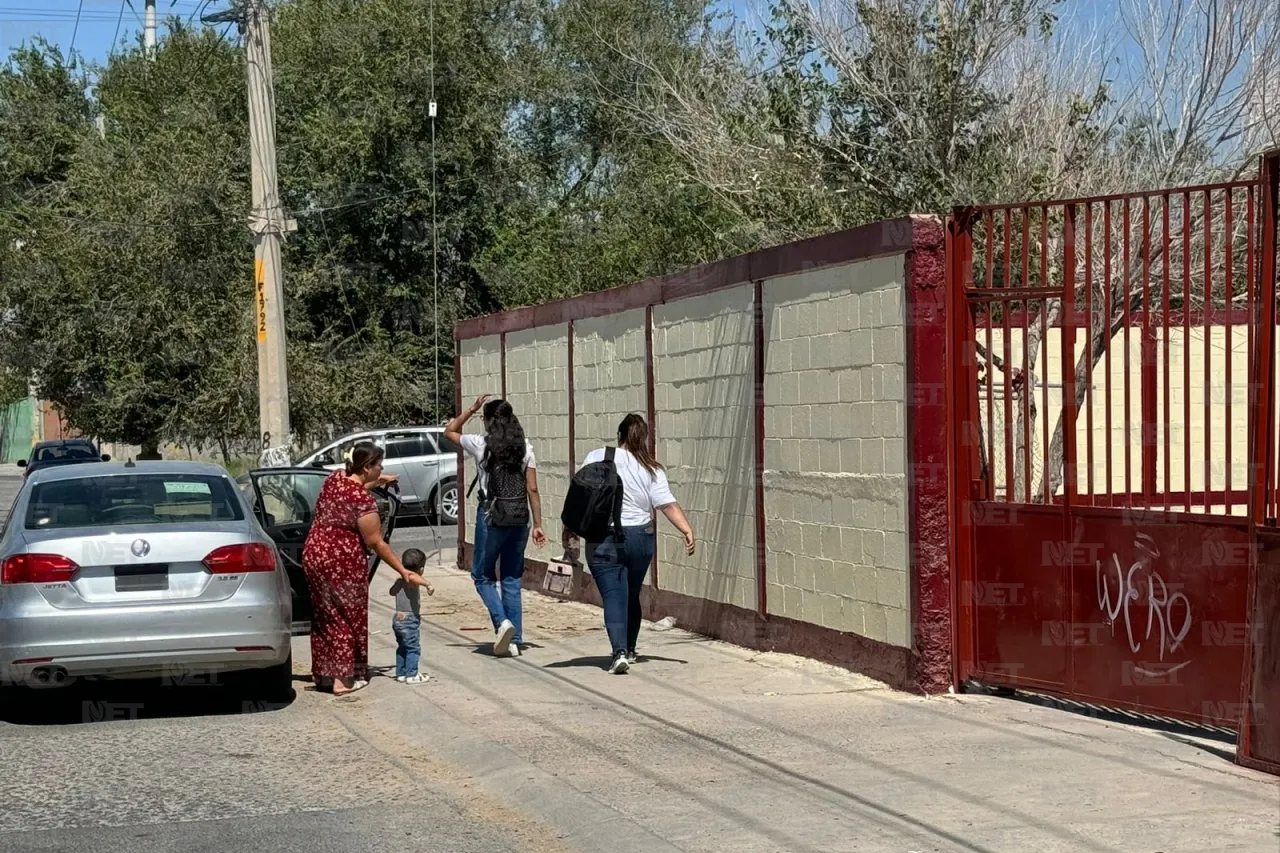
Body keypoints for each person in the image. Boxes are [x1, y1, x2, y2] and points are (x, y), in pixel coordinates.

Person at [302, 442, 431, 696]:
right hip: (341, 563)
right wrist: (402, 571)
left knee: (324, 616)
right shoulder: (363, 501)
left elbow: (356, 483)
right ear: (366, 467)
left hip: (314, 554)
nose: (382, 467)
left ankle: (325, 676)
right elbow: (376, 542)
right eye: (378, 464)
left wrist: (380, 480)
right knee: (345, 617)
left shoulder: (335, 479)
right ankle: (343, 680)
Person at [572, 414, 695, 674]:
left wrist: (568, 530)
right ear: (644, 438)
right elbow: (666, 504)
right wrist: (686, 530)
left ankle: (618, 653)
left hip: (604, 538)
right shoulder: (652, 468)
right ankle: (629, 648)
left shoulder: (597, 456)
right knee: (631, 592)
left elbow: (580, 495)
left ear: (619, 436)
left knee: (614, 595)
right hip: (641, 538)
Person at [445, 394, 547, 657]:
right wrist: (538, 524)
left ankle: (503, 624)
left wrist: (471, 408)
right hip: (520, 518)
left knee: (482, 575)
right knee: (511, 577)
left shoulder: (481, 444)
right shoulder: (525, 448)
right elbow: (532, 489)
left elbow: (450, 431)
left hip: (491, 516)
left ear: (489, 420)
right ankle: (515, 638)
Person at [390, 548, 435, 684]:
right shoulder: (412, 579)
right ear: (421, 569)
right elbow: (413, 576)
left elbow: (392, 592)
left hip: (398, 618)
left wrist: (397, 584)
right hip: (409, 620)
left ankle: (401, 673)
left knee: (402, 647)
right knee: (413, 648)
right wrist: (428, 584)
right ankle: (412, 674)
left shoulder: (400, 580)